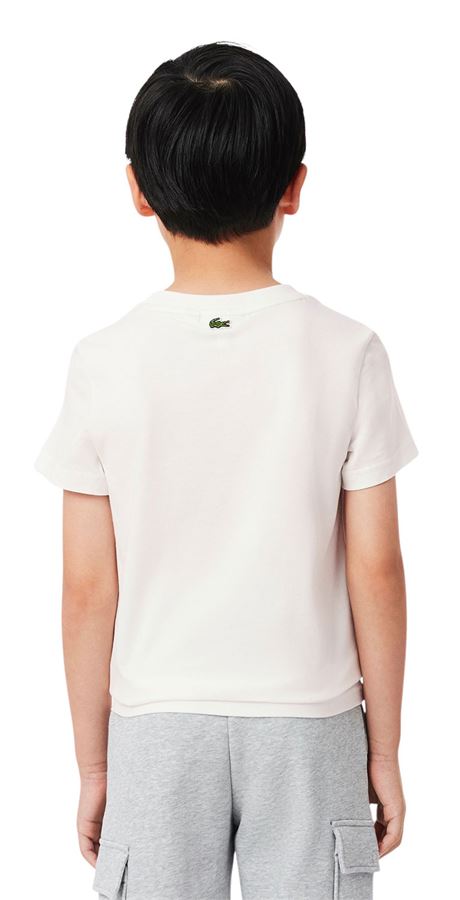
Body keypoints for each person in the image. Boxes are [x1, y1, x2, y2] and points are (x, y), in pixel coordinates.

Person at [35, 42, 416, 900]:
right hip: (311, 720)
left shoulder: (104, 361)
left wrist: (94, 765)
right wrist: (385, 751)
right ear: (294, 187)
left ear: (138, 190)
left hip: (157, 726)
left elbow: (88, 589)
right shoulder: (348, 352)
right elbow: (377, 569)